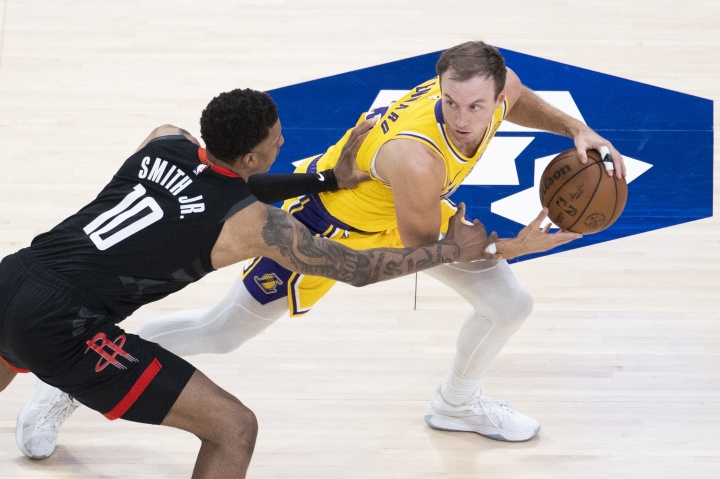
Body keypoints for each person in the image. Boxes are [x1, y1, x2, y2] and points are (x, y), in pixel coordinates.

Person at [18, 41, 626, 459]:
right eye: (450, 102)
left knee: (510, 306)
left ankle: (457, 404)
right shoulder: (417, 156)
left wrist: (577, 129)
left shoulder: (498, 89)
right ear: (440, 89)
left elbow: (519, 97)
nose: (463, 117)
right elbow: (431, 248)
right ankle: (68, 384)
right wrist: (515, 245)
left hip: (400, 208)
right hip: (331, 223)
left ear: (494, 93)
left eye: (477, 105)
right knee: (221, 332)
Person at [1, 87, 502, 477]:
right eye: (275, 141)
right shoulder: (255, 226)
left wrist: (327, 179)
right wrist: (452, 250)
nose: (282, 142)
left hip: (14, 277)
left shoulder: (165, 138)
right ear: (250, 159)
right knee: (234, 429)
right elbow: (359, 269)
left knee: (13, 350)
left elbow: (214, 183)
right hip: (67, 327)